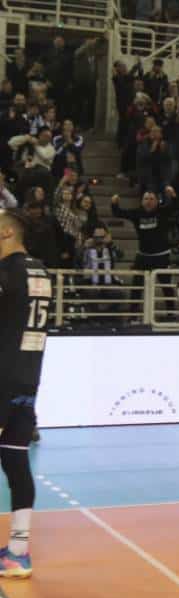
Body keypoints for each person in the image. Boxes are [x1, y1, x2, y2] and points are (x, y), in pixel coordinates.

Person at [0, 210, 51, 577]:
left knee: (15, 460)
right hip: (28, 379)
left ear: (6, 232)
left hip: (2, 379)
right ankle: (18, 552)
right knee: (15, 459)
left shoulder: (5, 272)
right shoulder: (40, 270)